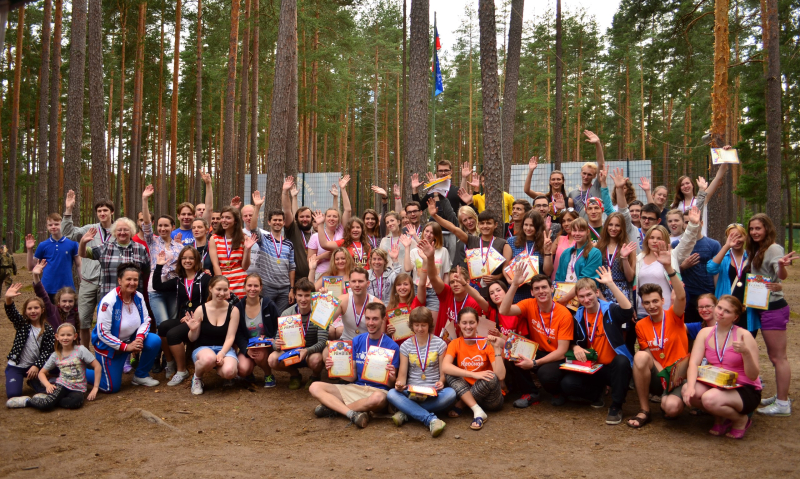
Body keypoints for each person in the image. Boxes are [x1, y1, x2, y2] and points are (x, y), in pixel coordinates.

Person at [627, 241, 688, 428]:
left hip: (679, 374)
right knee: (640, 356)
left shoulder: (674, 315)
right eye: (646, 303)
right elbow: (647, 353)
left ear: (663, 300)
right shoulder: (641, 324)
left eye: (655, 301)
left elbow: (682, 296)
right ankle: (645, 410)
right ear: (642, 305)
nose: (651, 306)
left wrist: (669, 267)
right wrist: (662, 372)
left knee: (671, 409)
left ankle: (670, 400)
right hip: (660, 374)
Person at [310, 302, 400, 428]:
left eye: (375, 319)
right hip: (355, 388)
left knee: (377, 398)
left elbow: (391, 385)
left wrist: (391, 376)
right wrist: (334, 368)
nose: (370, 323)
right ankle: (351, 413)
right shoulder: (357, 340)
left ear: (383, 319)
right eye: (368, 318)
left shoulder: (393, 346)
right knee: (314, 387)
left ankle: (334, 408)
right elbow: (351, 377)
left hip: (378, 391)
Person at [562, 268, 635, 425]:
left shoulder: (610, 310)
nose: (586, 299)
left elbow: (628, 311)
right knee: (567, 383)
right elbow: (572, 340)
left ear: (596, 293)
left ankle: (616, 406)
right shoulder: (578, 316)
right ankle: (597, 395)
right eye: (581, 296)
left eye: (589, 294)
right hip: (593, 367)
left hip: (614, 368)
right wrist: (575, 347)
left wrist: (611, 284)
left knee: (622, 361)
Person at [682, 295, 761, 439]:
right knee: (688, 390)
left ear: (735, 317)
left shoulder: (744, 336)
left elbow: (753, 376)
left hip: (744, 388)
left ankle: (740, 420)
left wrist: (746, 353)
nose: (720, 313)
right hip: (718, 384)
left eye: (727, 311)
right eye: (719, 307)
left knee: (709, 399)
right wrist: (691, 386)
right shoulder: (705, 333)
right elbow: (694, 363)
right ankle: (721, 418)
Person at [744, 214, 799, 416]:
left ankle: (783, 404)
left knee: (778, 358)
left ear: (767, 229)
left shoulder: (774, 249)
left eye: (758, 228)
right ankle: (780, 394)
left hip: (773, 308)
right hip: (761, 306)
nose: (754, 232)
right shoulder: (757, 249)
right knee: (774, 356)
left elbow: (780, 273)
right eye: (752, 229)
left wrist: (782, 268)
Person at [499, 272, 574, 408]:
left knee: (545, 374)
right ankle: (530, 393)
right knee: (512, 350)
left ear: (552, 289)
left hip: (557, 356)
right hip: (538, 350)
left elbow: (562, 351)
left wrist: (534, 363)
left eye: (544, 287)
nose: (541, 291)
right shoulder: (529, 304)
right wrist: (515, 285)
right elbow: (504, 311)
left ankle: (557, 392)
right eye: (537, 288)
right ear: (532, 292)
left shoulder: (564, 314)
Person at [86, 264, 161, 393]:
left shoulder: (138, 296)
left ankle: (140, 375)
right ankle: (74, 369)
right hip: (109, 347)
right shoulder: (108, 301)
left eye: (135, 280)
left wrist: (139, 339)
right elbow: (103, 333)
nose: (132, 283)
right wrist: (127, 347)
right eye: (128, 279)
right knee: (110, 387)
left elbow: (146, 320)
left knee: (154, 340)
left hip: (130, 340)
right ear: (120, 280)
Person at [388, 307, 456, 437]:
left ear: (429, 325)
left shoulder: (440, 344)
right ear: (412, 326)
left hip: (433, 391)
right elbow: (402, 376)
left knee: (451, 393)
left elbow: (443, 374)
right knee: (391, 394)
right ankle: (431, 420)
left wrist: (441, 382)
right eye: (417, 325)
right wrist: (399, 384)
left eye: (423, 325)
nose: (420, 328)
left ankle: (407, 412)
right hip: (411, 391)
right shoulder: (406, 346)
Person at [61, 190, 116, 347]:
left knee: (106, 321)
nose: (102, 213)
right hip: (88, 281)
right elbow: (68, 233)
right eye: (99, 211)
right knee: (84, 321)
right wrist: (68, 210)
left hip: (109, 283)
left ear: (112, 212)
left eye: (105, 210)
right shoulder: (90, 229)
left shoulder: (119, 230)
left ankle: (103, 354)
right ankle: (84, 353)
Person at [7, 323, 101, 410]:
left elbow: (97, 366)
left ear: (75, 336)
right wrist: (47, 385)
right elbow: (41, 373)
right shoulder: (56, 355)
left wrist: (95, 387)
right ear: (57, 337)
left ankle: (49, 398)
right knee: (46, 406)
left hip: (78, 388)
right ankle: (27, 401)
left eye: (69, 335)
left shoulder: (81, 350)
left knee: (76, 403)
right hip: (62, 385)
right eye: (62, 335)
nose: (65, 338)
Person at [153, 246, 211, 386]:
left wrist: (196, 316)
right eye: (184, 258)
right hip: (184, 318)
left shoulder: (205, 278)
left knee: (173, 334)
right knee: (163, 327)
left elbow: (211, 300)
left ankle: (182, 370)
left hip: (199, 320)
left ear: (196, 260)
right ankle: (170, 362)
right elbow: (157, 286)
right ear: (180, 261)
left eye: (191, 258)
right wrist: (159, 266)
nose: (187, 261)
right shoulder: (179, 280)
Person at [441, 307, 505, 430]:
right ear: (458, 324)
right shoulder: (455, 343)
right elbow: (445, 366)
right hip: (467, 391)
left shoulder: (485, 342)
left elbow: (500, 376)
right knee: (449, 373)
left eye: (472, 322)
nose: (468, 326)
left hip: (490, 399)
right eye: (464, 323)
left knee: (491, 377)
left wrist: (497, 349)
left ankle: (462, 404)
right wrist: (473, 374)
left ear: (477, 323)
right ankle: (477, 410)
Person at [633, 206, 701, 319]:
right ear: (647, 239)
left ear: (665, 240)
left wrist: (693, 225)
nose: (655, 241)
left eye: (659, 238)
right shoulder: (638, 258)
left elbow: (687, 242)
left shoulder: (672, 255)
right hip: (642, 312)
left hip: (666, 311)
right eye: (652, 238)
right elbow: (633, 287)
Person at [428, 200, 511, 289]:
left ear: (495, 225)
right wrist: (434, 216)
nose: (485, 226)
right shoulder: (472, 240)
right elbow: (453, 229)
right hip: (474, 289)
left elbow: (506, 269)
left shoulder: (503, 244)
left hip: (495, 289)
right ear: (478, 225)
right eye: (482, 223)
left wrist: (496, 277)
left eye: (489, 223)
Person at [417, 239, 484, 338]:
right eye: (452, 282)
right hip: (442, 343)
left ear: (467, 282)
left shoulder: (473, 303)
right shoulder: (446, 293)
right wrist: (431, 258)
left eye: (459, 281)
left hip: (462, 345)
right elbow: (433, 277)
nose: (455, 284)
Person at [268, 278, 327, 389]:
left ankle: (315, 376)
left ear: (313, 296)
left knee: (317, 360)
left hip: (311, 353)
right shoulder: (287, 313)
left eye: (307, 295)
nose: (303, 299)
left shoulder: (320, 313)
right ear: (294, 295)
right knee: (272, 360)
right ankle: (294, 375)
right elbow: (276, 341)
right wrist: (277, 344)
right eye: (300, 295)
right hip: (292, 353)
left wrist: (307, 350)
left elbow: (323, 342)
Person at [186, 276, 241, 395]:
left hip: (225, 349)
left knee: (230, 372)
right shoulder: (201, 309)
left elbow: (230, 337)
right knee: (209, 359)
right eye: (218, 289)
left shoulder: (233, 310)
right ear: (210, 289)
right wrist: (193, 330)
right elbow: (192, 339)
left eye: (225, 290)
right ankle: (197, 378)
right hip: (203, 349)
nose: (222, 293)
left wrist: (222, 353)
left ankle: (224, 374)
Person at [141, 184, 184, 334]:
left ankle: (167, 357)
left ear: (173, 227)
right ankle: (161, 355)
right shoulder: (152, 241)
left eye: (166, 225)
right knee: (162, 324)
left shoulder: (179, 247)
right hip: (155, 289)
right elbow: (146, 223)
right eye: (160, 226)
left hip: (173, 289)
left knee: (172, 324)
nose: (163, 228)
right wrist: (145, 200)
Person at [77, 218, 151, 298]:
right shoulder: (106, 247)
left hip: (133, 297)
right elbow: (83, 253)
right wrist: (83, 242)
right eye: (119, 230)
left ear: (131, 232)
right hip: (110, 297)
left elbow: (147, 271)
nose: (122, 233)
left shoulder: (140, 248)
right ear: (115, 232)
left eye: (126, 230)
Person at [4, 283, 54, 400]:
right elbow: (12, 314)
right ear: (25, 312)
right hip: (16, 366)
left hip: (34, 367)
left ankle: (33, 381)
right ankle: (17, 378)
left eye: (36, 308)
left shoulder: (48, 329)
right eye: (29, 308)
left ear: (42, 310)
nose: (33, 311)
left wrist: (37, 366)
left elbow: (47, 351)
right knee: (13, 395)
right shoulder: (22, 324)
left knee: (46, 391)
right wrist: (8, 298)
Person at [672, 208, 721, 325]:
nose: (690, 224)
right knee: (686, 328)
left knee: (708, 327)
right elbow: (672, 271)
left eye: (693, 221)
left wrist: (717, 294)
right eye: (686, 222)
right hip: (686, 294)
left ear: (701, 223)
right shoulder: (676, 245)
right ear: (683, 225)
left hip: (707, 293)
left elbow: (717, 272)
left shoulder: (713, 245)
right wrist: (683, 266)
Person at [248, 196, 297, 313]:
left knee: (281, 318)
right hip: (267, 287)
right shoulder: (264, 239)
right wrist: (257, 207)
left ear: (284, 223)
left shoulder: (289, 244)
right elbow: (253, 227)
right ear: (269, 222)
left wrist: (291, 289)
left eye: (280, 220)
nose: (277, 222)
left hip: (285, 288)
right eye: (274, 220)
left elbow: (292, 267)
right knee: (267, 316)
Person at [235, 274, 279, 387]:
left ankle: (268, 375)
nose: (252, 289)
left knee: (259, 354)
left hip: (267, 346)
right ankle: (249, 373)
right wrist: (246, 349)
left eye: (256, 286)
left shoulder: (268, 305)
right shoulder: (238, 307)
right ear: (244, 287)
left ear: (261, 287)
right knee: (242, 369)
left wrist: (274, 340)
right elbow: (238, 333)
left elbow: (278, 325)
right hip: (249, 346)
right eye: (249, 285)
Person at [26, 215, 80, 302]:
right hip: (47, 288)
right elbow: (31, 267)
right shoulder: (43, 245)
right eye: (50, 225)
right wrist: (29, 250)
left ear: (62, 225)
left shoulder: (72, 244)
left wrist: (83, 282)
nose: (53, 227)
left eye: (56, 224)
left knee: (66, 314)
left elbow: (79, 265)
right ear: (47, 227)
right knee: (48, 315)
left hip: (67, 288)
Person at [670, 157, 729, 237]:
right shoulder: (675, 205)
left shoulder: (702, 199)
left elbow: (717, 178)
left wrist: (725, 159)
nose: (685, 186)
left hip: (700, 238)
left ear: (692, 185)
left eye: (687, 183)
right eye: (682, 185)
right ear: (679, 188)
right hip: (683, 241)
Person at [307, 175, 352, 279]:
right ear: (324, 218)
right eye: (329, 216)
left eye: (335, 217)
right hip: (321, 274)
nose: (332, 218)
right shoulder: (315, 236)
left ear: (338, 220)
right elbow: (309, 261)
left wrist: (343, 189)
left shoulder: (342, 231)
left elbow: (348, 210)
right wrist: (323, 256)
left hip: (340, 274)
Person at [505, 211, 554, 302]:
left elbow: (547, 272)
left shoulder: (545, 242)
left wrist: (547, 251)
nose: (528, 228)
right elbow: (505, 267)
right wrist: (511, 281)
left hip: (538, 291)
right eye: (525, 225)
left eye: (531, 225)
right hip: (517, 290)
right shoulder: (512, 241)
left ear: (538, 227)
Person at [707, 224, 749, 330]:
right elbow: (711, 269)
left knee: (746, 339)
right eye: (732, 236)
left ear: (745, 236)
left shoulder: (752, 257)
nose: (736, 240)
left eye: (739, 236)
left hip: (748, 307)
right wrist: (726, 246)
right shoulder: (723, 258)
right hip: (727, 308)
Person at [405, 222, 451, 316]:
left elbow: (446, 273)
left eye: (432, 233)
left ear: (436, 236)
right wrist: (407, 247)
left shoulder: (443, 251)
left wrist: (445, 292)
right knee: (418, 321)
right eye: (427, 231)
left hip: (436, 291)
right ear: (423, 231)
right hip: (418, 289)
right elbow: (408, 268)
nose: (428, 234)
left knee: (433, 325)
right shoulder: (414, 251)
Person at [208, 206, 254, 300]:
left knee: (240, 309)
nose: (224, 220)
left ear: (235, 221)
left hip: (240, 281)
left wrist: (247, 249)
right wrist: (222, 285)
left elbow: (245, 267)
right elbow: (215, 265)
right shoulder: (214, 238)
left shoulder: (243, 238)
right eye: (222, 217)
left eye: (228, 218)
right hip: (223, 278)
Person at [554, 218, 602, 306]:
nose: (577, 234)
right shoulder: (566, 253)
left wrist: (564, 299)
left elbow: (585, 280)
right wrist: (557, 297)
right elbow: (558, 277)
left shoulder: (594, 253)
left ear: (587, 232)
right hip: (563, 300)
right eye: (574, 230)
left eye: (581, 230)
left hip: (584, 300)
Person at [327, 267, 382, 340]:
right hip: (346, 342)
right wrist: (323, 302)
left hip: (368, 343)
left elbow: (381, 334)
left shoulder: (378, 304)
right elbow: (325, 321)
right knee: (325, 351)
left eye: (360, 281)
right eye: (353, 281)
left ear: (368, 283)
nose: (357, 285)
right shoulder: (342, 300)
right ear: (349, 283)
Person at [595, 213, 636, 304]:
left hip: (621, 293)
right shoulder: (598, 247)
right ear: (606, 226)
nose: (613, 228)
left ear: (622, 228)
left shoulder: (628, 248)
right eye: (610, 225)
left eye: (617, 225)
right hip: (602, 292)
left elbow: (629, 278)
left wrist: (624, 258)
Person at [280, 176, 314, 281]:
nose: (305, 219)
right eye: (302, 217)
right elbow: (287, 211)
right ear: (297, 219)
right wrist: (285, 192)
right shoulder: (294, 231)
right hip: (296, 280)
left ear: (312, 218)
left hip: (315, 279)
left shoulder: (317, 234)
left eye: (307, 217)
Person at [31, 259, 78, 330]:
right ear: (58, 301)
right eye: (64, 301)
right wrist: (35, 275)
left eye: (70, 301)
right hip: (53, 340)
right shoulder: (52, 311)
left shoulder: (76, 314)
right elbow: (42, 294)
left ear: (74, 301)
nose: (67, 304)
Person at [550, 209, 580, 281]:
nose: (566, 224)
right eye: (563, 221)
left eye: (569, 220)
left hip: (576, 283)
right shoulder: (559, 239)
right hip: (558, 281)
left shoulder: (581, 241)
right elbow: (549, 255)